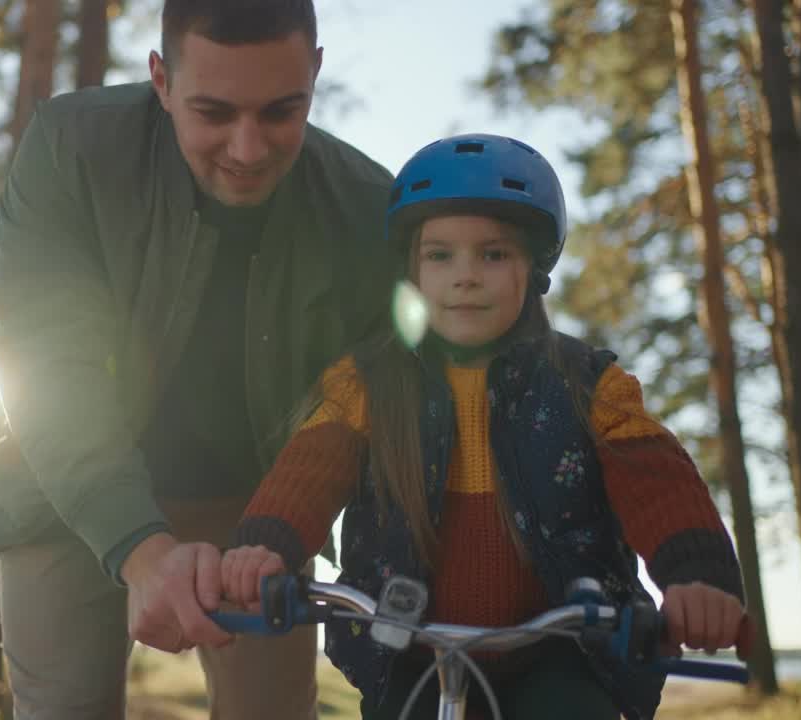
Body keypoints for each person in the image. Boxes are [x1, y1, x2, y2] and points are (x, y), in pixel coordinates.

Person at [218, 133, 751, 719]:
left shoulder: (587, 383)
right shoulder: (368, 383)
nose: (464, 276)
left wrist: (698, 577)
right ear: (412, 271)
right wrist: (263, 548)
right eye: (439, 255)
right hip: (408, 644)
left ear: (535, 267)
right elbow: (309, 470)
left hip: (563, 646)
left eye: (493, 254)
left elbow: (656, 481)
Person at [0, 1, 395, 717]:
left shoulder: (367, 208)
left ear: (315, 73)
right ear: (160, 80)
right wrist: (140, 548)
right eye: (215, 112)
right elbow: (50, 374)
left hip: (264, 511)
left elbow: (371, 415)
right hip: (64, 494)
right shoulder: (70, 150)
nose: (248, 149)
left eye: (282, 111)